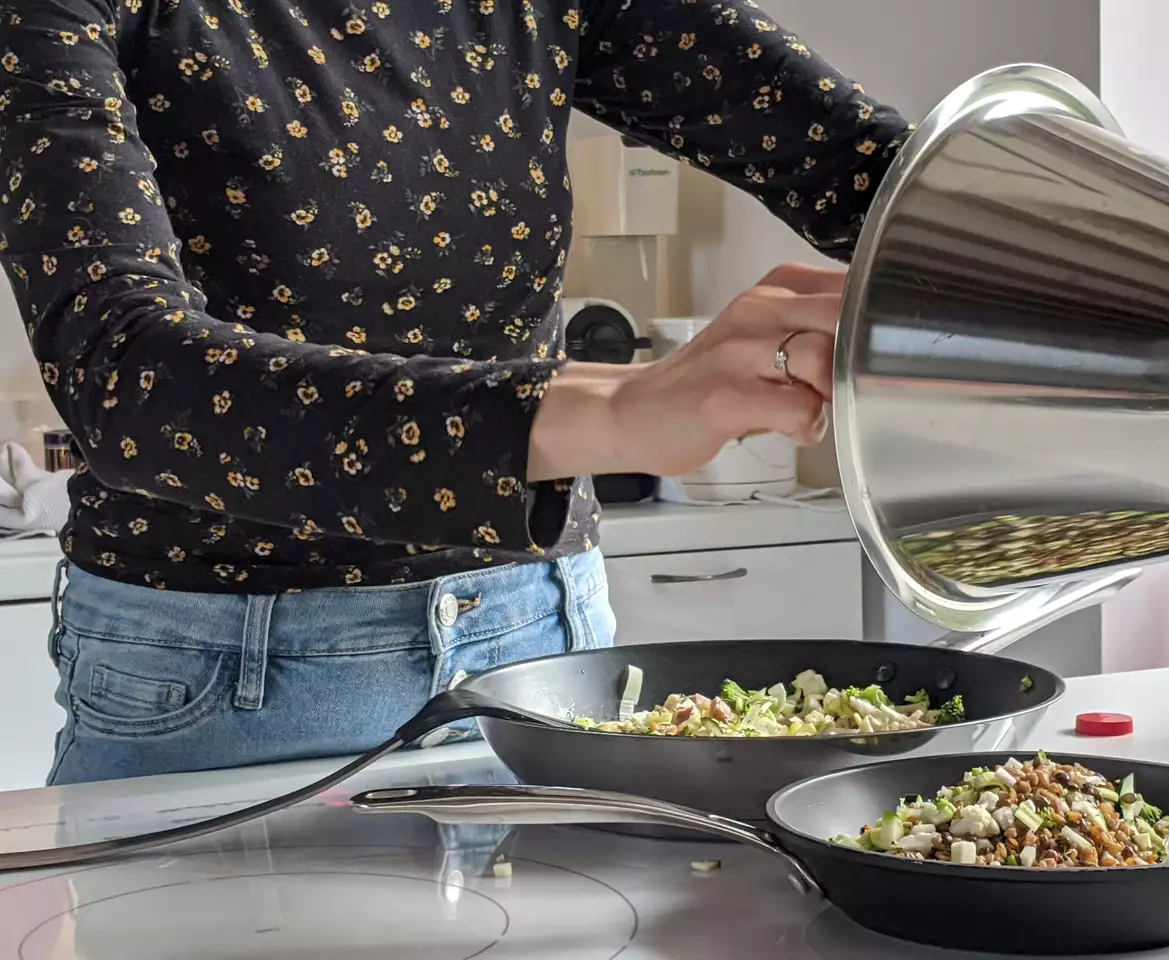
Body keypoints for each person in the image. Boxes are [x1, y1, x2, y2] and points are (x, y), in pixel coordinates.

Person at [0, 0, 912, 785]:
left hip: (542, 641)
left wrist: (983, 269)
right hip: (219, 676)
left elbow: (868, 168)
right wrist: (611, 411)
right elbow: (124, 373)